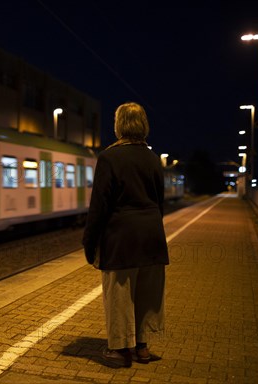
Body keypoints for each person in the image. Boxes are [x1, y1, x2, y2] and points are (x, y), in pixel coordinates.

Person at [82, 102, 169, 367]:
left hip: (121, 239)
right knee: (146, 293)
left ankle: (119, 351)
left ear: (119, 125)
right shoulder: (153, 159)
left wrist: (90, 242)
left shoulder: (110, 158)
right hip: (152, 237)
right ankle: (141, 348)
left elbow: (99, 206)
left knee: (119, 295)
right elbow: (160, 202)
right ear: (144, 125)